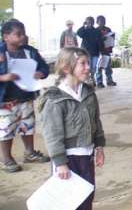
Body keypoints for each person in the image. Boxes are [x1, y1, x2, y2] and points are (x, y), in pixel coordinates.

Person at [38, 47, 105, 210]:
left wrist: (99, 146)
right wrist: (60, 163)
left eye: (88, 63)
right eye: (82, 64)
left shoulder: (88, 92)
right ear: (67, 68)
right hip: (68, 160)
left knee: (87, 197)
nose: (88, 67)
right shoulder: (54, 99)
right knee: (67, 201)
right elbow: (52, 135)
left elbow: (96, 120)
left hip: (87, 156)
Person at [0, 19, 50, 173]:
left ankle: (29, 152)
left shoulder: (30, 51)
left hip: (26, 97)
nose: (23, 37)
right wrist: (3, 78)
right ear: (6, 36)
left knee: (28, 127)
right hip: (5, 101)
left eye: (24, 33)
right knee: (6, 130)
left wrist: (40, 73)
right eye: (18, 34)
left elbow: (44, 66)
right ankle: (7, 159)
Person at [77, 17, 102, 86]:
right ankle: (89, 80)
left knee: (93, 67)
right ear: (86, 22)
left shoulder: (96, 31)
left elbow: (99, 41)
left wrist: (100, 51)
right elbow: (78, 33)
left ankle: (92, 78)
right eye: (88, 22)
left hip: (95, 52)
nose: (90, 23)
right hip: (86, 52)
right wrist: (83, 25)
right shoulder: (84, 30)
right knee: (88, 67)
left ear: (93, 22)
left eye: (91, 22)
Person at [96, 15, 116, 87]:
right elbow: (95, 40)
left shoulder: (108, 29)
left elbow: (111, 37)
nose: (103, 22)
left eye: (104, 21)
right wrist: (101, 39)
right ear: (97, 22)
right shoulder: (96, 30)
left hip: (107, 50)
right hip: (99, 51)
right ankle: (99, 82)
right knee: (99, 67)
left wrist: (112, 37)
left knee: (108, 67)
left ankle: (109, 81)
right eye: (101, 21)